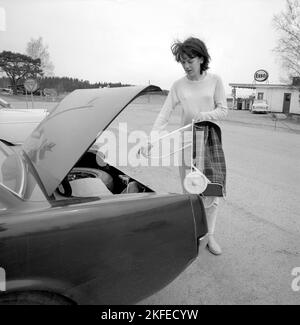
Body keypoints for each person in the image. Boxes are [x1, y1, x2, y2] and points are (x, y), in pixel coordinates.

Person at [142, 37, 228, 255]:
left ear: (201, 58)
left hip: (209, 142)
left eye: (190, 60)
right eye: (182, 62)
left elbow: (223, 110)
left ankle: (210, 236)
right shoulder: (178, 85)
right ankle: (196, 234)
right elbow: (164, 113)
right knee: (191, 191)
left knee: (212, 192)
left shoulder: (215, 80)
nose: (186, 66)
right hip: (187, 143)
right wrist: (151, 139)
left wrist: (204, 115)